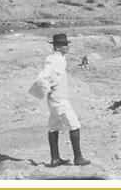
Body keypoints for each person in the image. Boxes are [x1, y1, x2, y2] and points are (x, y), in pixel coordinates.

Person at [29, 33, 90, 166]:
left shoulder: (58, 58)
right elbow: (42, 77)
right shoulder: (53, 60)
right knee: (74, 125)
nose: (67, 47)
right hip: (59, 100)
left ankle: (55, 159)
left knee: (53, 126)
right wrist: (48, 89)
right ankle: (78, 158)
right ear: (58, 47)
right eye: (65, 45)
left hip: (56, 99)